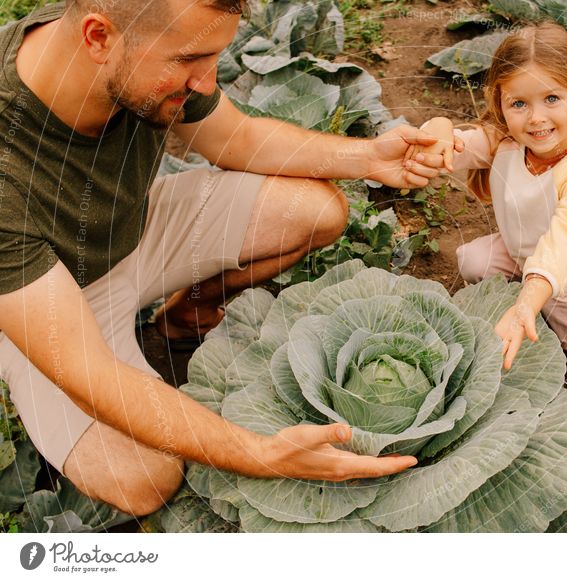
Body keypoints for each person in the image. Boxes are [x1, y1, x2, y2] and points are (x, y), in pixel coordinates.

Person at [0, 0, 449, 516]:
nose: (206, 81)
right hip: (46, 307)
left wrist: (369, 156)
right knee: (144, 479)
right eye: (191, 60)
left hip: (136, 231)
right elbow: (90, 371)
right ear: (97, 37)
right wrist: (261, 454)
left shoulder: (142, 36)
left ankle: (184, 314)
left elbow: (236, 138)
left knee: (315, 210)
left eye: (215, 57)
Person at [417, 22, 567, 379]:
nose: (536, 118)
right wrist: (437, 128)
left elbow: (564, 243)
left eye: (551, 99)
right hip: (523, 252)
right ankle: (529, 308)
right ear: (500, 104)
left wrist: (529, 300)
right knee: (473, 261)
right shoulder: (505, 140)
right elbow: (454, 145)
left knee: (554, 292)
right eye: (519, 103)